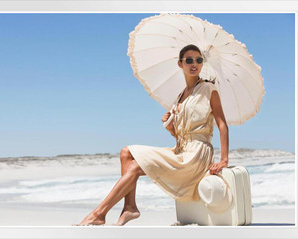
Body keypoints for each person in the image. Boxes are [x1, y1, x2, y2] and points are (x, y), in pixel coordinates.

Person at [74, 44, 229, 226]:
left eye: (198, 60)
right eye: (189, 60)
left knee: (136, 167)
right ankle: (130, 206)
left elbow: (222, 124)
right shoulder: (180, 96)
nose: (194, 64)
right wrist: (171, 127)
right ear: (180, 64)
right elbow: (179, 136)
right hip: (180, 150)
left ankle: (99, 214)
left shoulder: (209, 89)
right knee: (126, 152)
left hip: (196, 155)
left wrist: (224, 159)